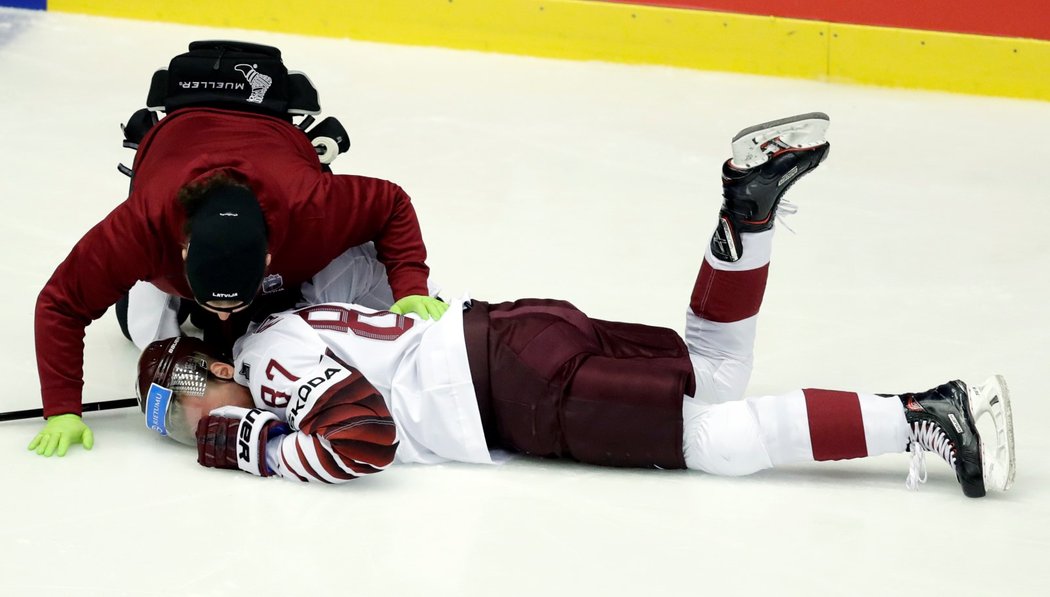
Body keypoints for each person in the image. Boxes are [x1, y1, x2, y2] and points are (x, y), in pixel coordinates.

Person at [133, 113, 1016, 497]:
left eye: (180, 402)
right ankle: (748, 218)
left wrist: (236, 440)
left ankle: (926, 416)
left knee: (711, 443)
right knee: (713, 370)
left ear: (214, 359)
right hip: (515, 333)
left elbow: (364, 437)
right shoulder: (289, 322)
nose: (188, 420)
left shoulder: (262, 359)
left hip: (513, 392)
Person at [28, 41, 448, 458]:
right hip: (172, 193)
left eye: (232, 303)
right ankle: (176, 293)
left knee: (284, 314)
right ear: (183, 251)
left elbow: (391, 203)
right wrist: (62, 409)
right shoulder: (142, 227)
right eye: (217, 304)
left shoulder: (313, 207)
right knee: (139, 330)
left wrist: (411, 285)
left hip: (279, 173)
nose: (224, 314)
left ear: (268, 260)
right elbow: (61, 305)